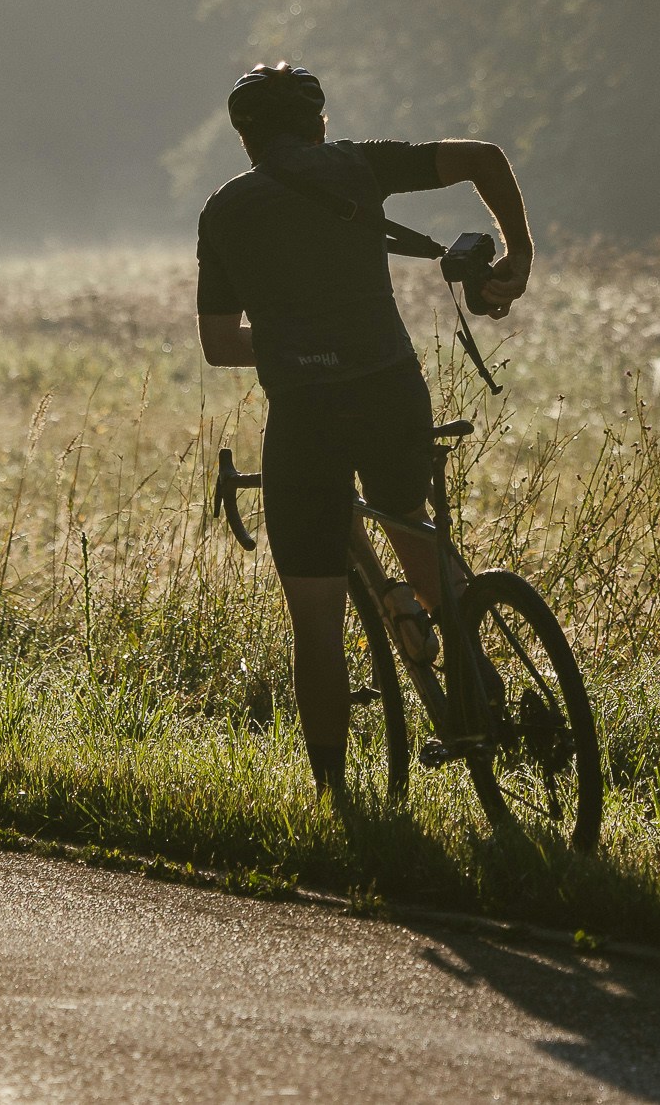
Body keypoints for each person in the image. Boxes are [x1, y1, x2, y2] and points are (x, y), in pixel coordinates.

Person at [194, 63, 534, 796]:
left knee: (314, 617)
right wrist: (520, 254)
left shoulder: (225, 209)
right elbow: (483, 157)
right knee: (408, 519)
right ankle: (475, 683)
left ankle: (333, 799)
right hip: (388, 389)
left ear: (244, 137)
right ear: (317, 122)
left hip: (305, 414)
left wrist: (287, 340)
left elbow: (221, 343)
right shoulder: (357, 164)